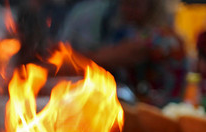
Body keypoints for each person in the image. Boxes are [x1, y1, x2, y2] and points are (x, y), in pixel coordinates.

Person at [58, 0, 187, 107]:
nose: (127, 9)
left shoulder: (159, 37)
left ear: (151, 6)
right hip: (148, 105)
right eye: (124, 4)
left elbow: (113, 56)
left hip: (164, 107)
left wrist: (67, 59)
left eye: (134, 5)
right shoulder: (132, 30)